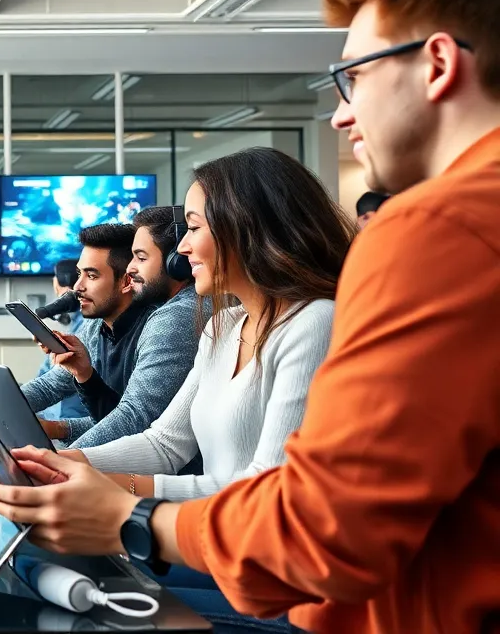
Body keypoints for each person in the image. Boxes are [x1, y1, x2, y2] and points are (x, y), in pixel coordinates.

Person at [0, 0, 500, 634]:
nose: (340, 115)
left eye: (353, 76)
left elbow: (321, 531)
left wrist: (132, 522)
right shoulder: (230, 320)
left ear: (439, 64)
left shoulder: (439, 232)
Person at [63, 148, 348, 505]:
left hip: (255, 546)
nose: (181, 248)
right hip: (215, 534)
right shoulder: (222, 325)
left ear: (246, 231)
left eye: (194, 228)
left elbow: (269, 487)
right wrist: (65, 462)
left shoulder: (315, 322)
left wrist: (123, 486)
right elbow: (164, 443)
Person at [21, 222, 196, 449]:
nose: (77, 287)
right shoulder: (96, 327)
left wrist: (57, 463)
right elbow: (49, 388)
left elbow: (135, 421)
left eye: (91, 276)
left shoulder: (162, 326)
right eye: (79, 274)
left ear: (126, 281)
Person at [37, 258, 88, 421]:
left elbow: (49, 383)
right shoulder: (76, 326)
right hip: (54, 419)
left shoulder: (87, 329)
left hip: (67, 423)